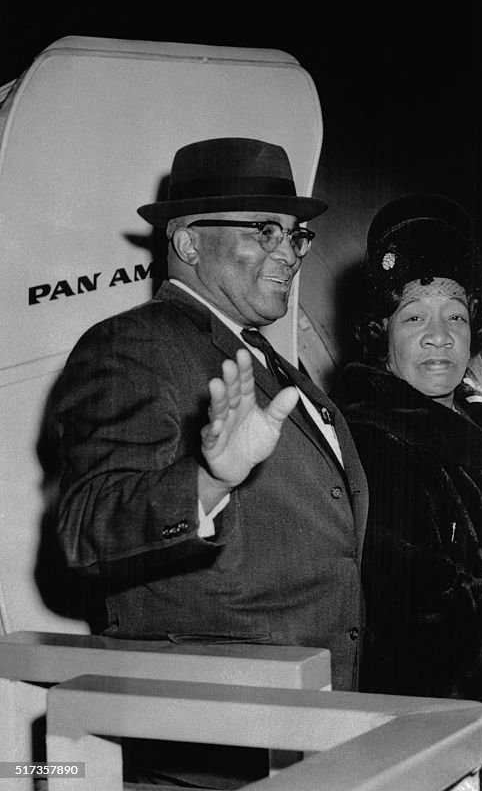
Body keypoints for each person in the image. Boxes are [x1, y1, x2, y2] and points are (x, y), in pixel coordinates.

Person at [54, 137, 368, 786]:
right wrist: (210, 478)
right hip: (208, 750)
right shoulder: (132, 345)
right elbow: (86, 528)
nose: (288, 251)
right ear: (189, 240)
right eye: (264, 230)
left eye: (295, 234)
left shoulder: (274, 363)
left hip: (304, 729)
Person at [331, 193, 482, 791]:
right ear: (379, 330)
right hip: (439, 727)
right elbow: (407, 590)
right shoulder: (370, 432)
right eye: (415, 316)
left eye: (456, 316)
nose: (439, 337)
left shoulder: (480, 419)